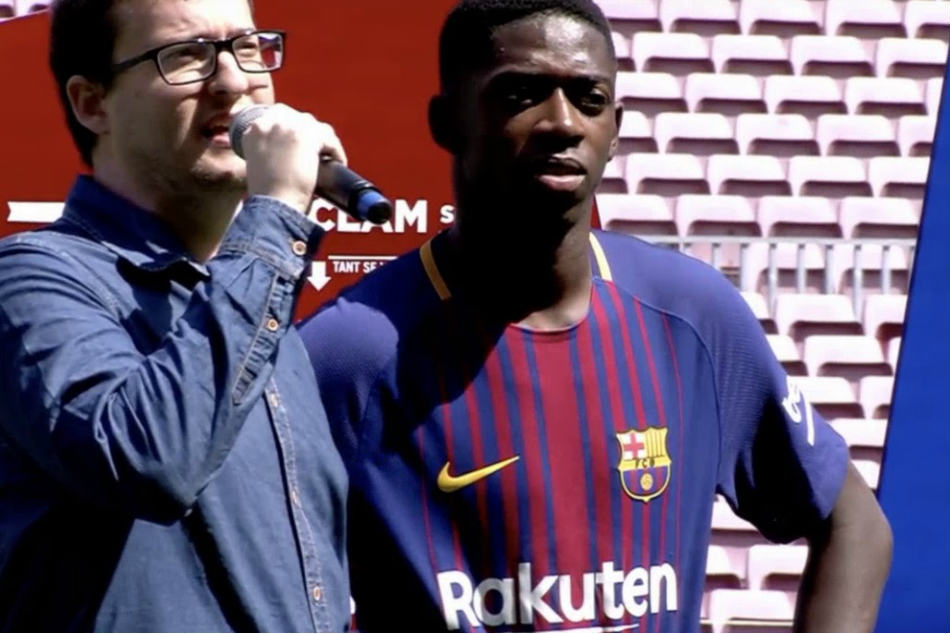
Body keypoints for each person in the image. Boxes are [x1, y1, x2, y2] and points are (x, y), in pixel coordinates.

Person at [298, 0, 893, 631]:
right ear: (447, 122)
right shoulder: (346, 355)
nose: (562, 122)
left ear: (616, 126)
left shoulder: (690, 318)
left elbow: (854, 524)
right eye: (521, 94)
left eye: (588, 98)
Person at [0, 0, 350, 630]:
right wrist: (275, 216)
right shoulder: (29, 280)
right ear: (91, 103)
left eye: (247, 47)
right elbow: (145, 461)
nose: (234, 82)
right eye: (185, 55)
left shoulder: (253, 298)